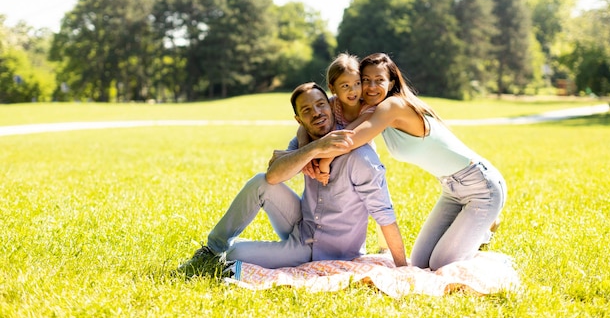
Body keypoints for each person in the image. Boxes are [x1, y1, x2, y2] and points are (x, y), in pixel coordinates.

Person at [177, 82, 407, 276]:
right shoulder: (305, 142)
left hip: (322, 250)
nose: (316, 113)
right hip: (303, 225)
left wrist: (403, 268)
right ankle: (212, 249)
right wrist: (316, 148)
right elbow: (273, 176)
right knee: (261, 182)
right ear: (299, 120)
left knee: (234, 255)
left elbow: (385, 214)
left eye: (320, 105)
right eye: (307, 110)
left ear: (331, 106)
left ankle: (232, 251)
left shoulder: (360, 157)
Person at [323, 53, 506, 271]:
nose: (371, 87)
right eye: (365, 80)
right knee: (420, 263)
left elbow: (350, 140)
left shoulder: (392, 106)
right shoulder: (375, 110)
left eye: (379, 80)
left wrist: (322, 160)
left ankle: (484, 229)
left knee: (441, 265)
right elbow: (349, 128)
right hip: (452, 190)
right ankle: (479, 226)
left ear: (390, 83)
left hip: (482, 187)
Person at [297, 52, 387, 252]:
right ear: (332, 88)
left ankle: (385, 246)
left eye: (356, 83)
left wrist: (322, 162)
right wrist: (305, 151)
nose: (353, 90)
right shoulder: (331, 103)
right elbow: (303, 126)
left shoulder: (368, 109)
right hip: (335, 154)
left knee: (376, 200)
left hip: (360, 155)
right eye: (345, 86)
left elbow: (348, 137)